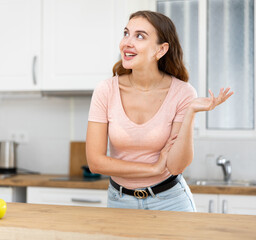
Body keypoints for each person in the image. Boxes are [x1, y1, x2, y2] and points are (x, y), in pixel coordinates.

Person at [86, 11, 233, 211]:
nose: (127, 42)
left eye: (140, 36)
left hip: (171, 202)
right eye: (126, 33)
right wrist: (153, 168)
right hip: (119, 202)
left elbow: (175, 166)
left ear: (161, 50)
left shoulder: (182, 93)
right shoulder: (106, 90)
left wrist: (190, 113)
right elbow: (95, 162)